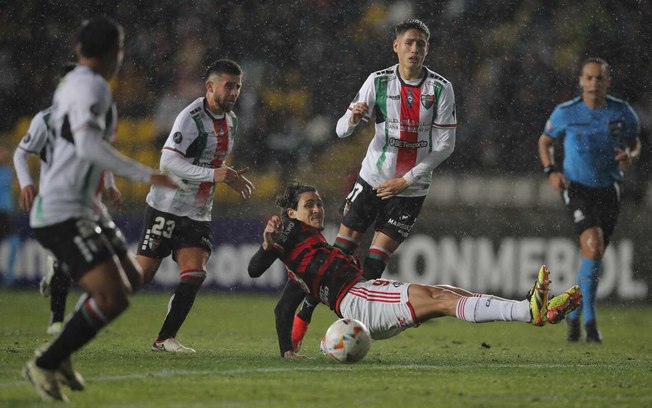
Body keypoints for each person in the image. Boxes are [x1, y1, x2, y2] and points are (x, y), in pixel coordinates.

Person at [23, 16, 179, 402]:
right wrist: (144, 174)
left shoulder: (72, 83)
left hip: (86, 207)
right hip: (63, 210)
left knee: (130, 280)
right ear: (116, 52)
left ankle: (60, 354)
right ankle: (47, 361)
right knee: (112, 296)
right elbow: (88, 146)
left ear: (79, 50)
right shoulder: (92, 89)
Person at [278, 18, 457, 351]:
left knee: (373, 265)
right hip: (372, 181)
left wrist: (407, 179)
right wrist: (352, 118)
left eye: (420, 44)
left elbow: (446, 145)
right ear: (396, 46)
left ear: (427, 48)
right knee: (339, 254)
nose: (414, 49)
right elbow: (340, 130)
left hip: (410, 189)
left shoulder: (440, 89)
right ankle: (303, 313)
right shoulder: (377, 82)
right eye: (408, 43)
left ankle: (345, 333)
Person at [249, 183, 582, 358]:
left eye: (319, 202)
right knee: (440, 297)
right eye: (310, 204)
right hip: (360, 301)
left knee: (448, 295)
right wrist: (268, 244)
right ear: (291, 212)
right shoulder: (290, 233)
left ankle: (535, 311)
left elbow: (285, 308)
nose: (318, 208)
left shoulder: (313, 253)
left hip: (363, 304)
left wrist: (288, 351)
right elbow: (255, 269)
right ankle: (529, 312)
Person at [135, 59, 254, 353]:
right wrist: (215, 175)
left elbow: (213, 161)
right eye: (229, 86)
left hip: (198, 212)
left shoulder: (232, 121)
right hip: (166, 208)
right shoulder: (191, 117)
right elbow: (168, 161)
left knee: (195, 273)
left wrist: (229, 176)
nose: (234, 92)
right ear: (210, 86)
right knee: (142, 275)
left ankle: (164, 339)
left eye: (238, 86)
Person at [12, 63, 123, 336]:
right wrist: (27, 183)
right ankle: (57, 321)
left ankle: (63, 299)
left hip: (89, 201)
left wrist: (110, 184)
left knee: (97, 263)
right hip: (57, 202)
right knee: (73, 261)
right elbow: (20, 153)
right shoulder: (46, 120)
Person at [538, 57, 641, 344]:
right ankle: (590, 321)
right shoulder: (566, 113)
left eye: (599, 78)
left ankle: (571, 316)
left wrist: (631, 155)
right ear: (581, 81)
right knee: (593, 246)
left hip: (609, 189)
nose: (594, 83)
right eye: (589, 78)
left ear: (608, 81)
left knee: (593, 255)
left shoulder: (622, 112)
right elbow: (544, 141)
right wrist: (551, 171)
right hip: (577, 187)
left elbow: (635, 141)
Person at [0, 144, 19, 285]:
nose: (3, 154)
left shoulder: (9, 171)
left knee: (14, 243)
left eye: (4, 150)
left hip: (7, 213)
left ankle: (9, 278)